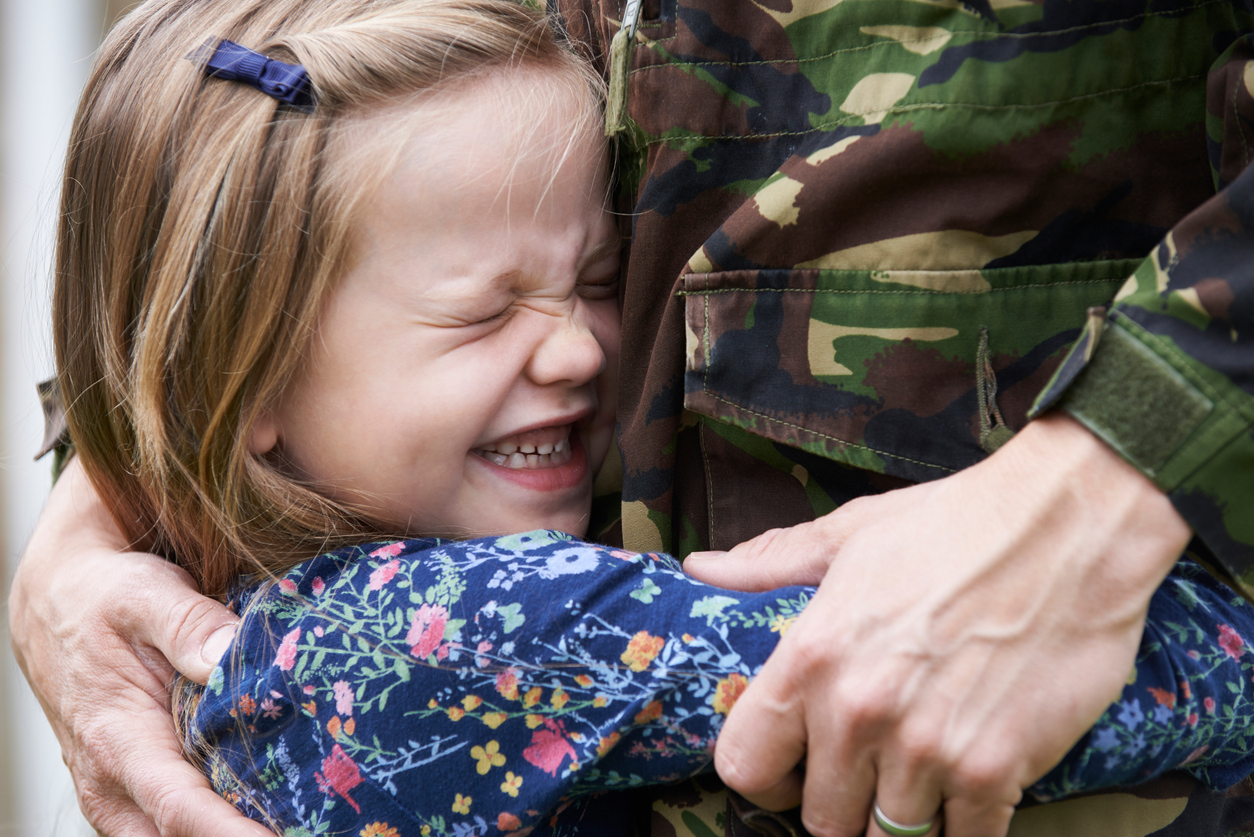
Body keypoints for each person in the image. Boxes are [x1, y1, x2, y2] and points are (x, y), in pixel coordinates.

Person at [10, 0, 1254, 836]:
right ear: (248, 378)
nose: (584, 346)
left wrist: (1118, 467)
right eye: (480, 312)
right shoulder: (450, 640)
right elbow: (912, 681)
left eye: (601, 280)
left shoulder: (271, 635)